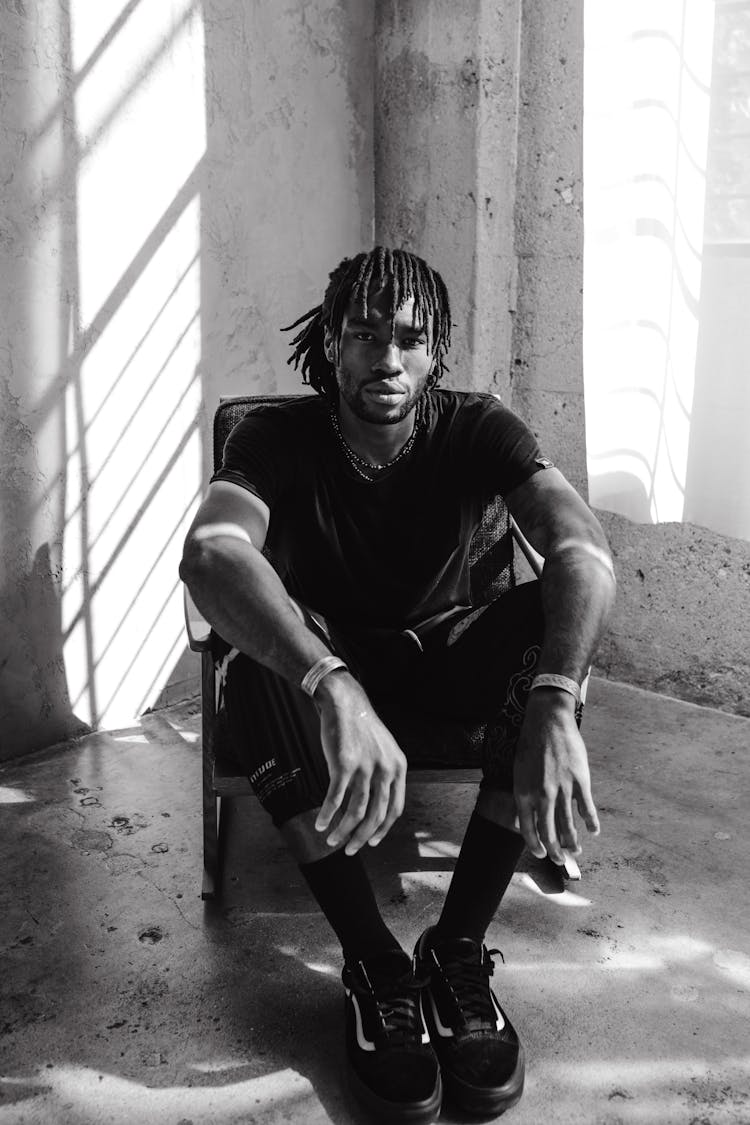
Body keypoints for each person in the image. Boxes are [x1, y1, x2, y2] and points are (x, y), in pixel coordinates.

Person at [180, 246, 616, 1122]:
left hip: (442, 654)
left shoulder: (479, 426)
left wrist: (559, 699)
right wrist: (331, 681)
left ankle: (455, 950)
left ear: (437, 351)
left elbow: (580, 548)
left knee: (549, 623)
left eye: (410, 340)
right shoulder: (275, 438)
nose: (387, 359)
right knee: (245, 659)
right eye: (366, 335)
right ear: (331, 345)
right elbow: (212, 551)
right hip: (333, 661)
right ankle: (377, 963)